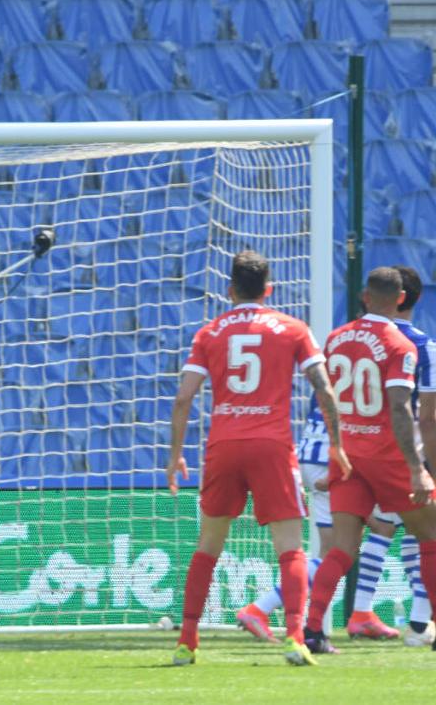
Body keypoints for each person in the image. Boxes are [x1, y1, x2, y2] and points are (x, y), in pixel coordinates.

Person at [166, 250, 344, 667]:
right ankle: (296, 638)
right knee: (290, 548)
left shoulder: (209, 332)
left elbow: (182, 398)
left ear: (230, 290)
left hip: (224, 446)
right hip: (272, 446)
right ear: (269, 289)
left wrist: (175, 456)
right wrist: (337, 444)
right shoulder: (292, 329)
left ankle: (187, 641)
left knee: (208, 545)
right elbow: (323, 387)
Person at [303, 267, 436, 655]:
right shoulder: (401, 345)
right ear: (400, 299)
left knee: (342, 547)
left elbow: (325, 397)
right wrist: (416, 469)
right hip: (386, 454)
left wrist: (335, 447)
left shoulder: (336, 338)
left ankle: (313, 631)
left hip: (348, 455)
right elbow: (400, 408)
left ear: (364, 296)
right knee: (430, 536)